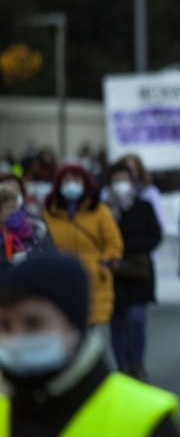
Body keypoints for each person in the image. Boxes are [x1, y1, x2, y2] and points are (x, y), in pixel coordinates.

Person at [0, 252, 180, 436]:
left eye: (34, 323)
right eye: (5, 325)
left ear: (75, 326)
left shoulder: (146, 417)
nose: (17, 337)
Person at [43, 165, 124, 329]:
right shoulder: (49, 214)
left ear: (86, 184)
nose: (71, 184)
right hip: (60, 281)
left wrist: (102, 266)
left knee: (91, 338)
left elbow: (114, 244)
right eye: (66, 180)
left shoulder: (100, 212)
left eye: (76, 180)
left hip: (94, 282)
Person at [104, 162, 163, 379]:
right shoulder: (103, 209)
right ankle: (121, 365)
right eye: (116, 179)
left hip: (137, 273)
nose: (121, 184)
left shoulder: (143, 206)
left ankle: (137, 362)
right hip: (112, 274)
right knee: (117, 321)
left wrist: (127, 249)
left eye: (125, 179)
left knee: (136, 319)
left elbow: (155, 235)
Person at [0, 173, 56, 252]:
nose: (11, 198)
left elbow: (48, 253)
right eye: (6, 194)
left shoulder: (37, 224)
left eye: (16, 191)